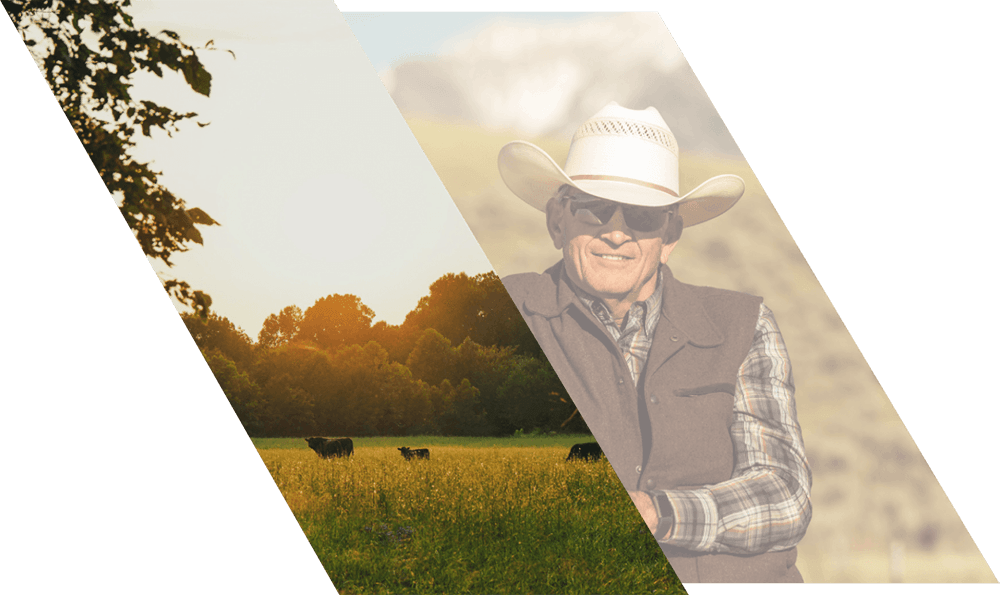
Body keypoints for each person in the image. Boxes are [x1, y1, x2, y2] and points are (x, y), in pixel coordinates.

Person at [497, 102, 812, 583]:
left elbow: (785, 495)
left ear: (670, 234)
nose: (617, 232)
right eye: (594, 207)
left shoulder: (744, 325)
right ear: (558, 221)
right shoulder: (501, 315)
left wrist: (659, 513)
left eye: (642, 217)